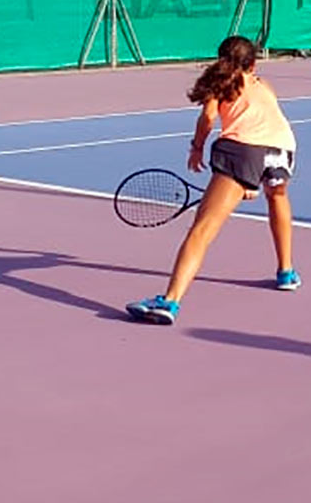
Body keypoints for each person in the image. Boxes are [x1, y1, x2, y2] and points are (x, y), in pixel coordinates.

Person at [126, 36, 300, 325]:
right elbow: (262, 124)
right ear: (253, 65)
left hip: (243, 151)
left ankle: (169, 302)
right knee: (278, 196)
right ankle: (286, 272)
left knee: (202, 229)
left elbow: (208, 118)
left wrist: (197, 148)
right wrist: (251, 181)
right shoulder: (264, 85)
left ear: (221, 58)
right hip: (283, 151)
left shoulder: (220, 83)